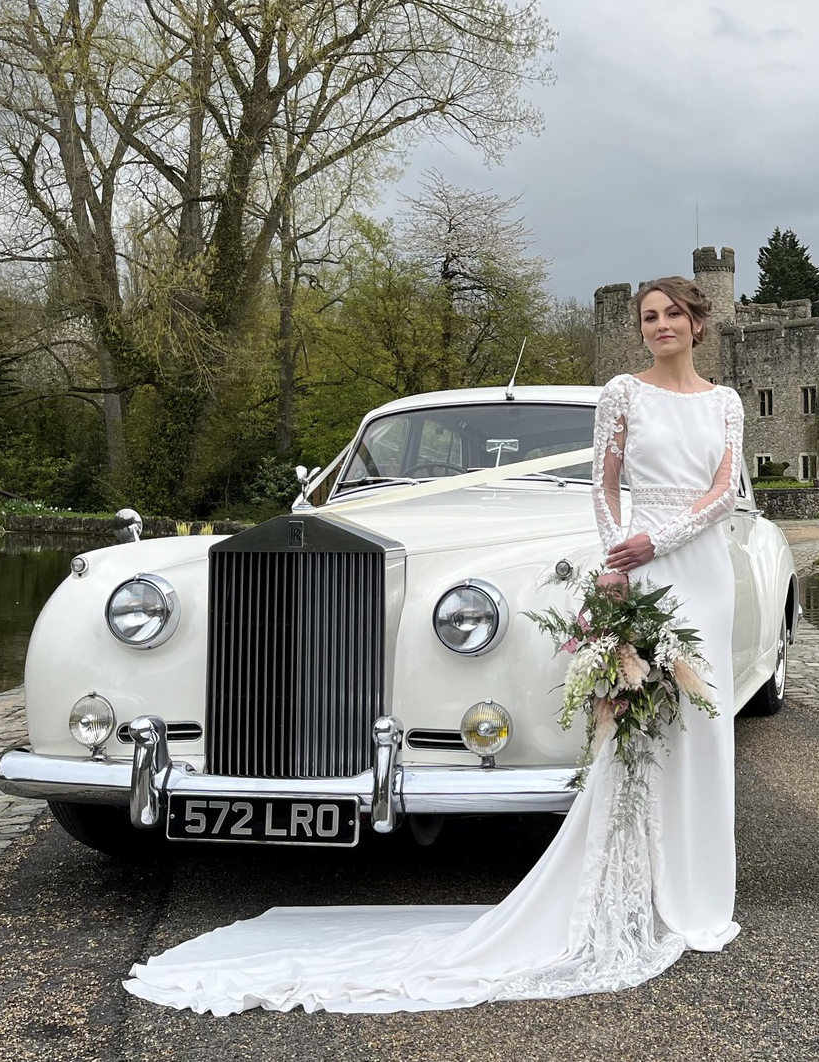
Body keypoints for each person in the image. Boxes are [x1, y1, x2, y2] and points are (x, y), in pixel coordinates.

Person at [124, 275, 744, 1015]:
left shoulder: (726, 402)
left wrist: (656, 539)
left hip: (695, 562)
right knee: (640, 726)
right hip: (637, 562)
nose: (660, 324)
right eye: (649, 316)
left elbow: (721, 488)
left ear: (698, 324)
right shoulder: (620, 392)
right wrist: (620, 554)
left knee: (700, 722)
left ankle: (697, 889)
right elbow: (603, 485)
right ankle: (639, 876)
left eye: (673, 313)